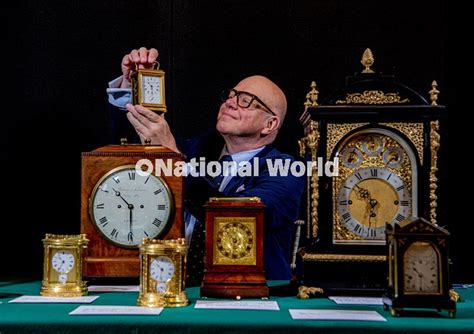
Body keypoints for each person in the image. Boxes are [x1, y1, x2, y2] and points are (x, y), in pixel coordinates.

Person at [107, 47, 305, 285]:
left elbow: (235, 220)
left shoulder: (285, 170)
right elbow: (125, 146)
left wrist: (175, 163)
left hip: (247, 293)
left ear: (270, 124)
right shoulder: (193, 150)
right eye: (231, 95)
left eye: (245, 101)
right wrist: (133, 86)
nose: (230, 103)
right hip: (172, 286)